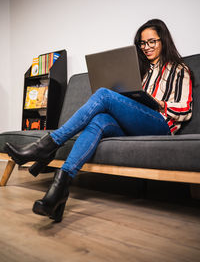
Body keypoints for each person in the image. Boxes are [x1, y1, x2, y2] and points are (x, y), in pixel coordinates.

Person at [5, 19, 193, 222]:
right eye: (142, 43)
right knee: (100, 120)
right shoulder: (144, 72)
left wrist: (158, 103)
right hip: (137, 124)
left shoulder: (179, 69)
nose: (146, 47)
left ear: (163, 40)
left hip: (160, 125)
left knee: (103, 94)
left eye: (152, 42)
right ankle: (59, 191)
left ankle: (46, 146)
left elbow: (185, 109)